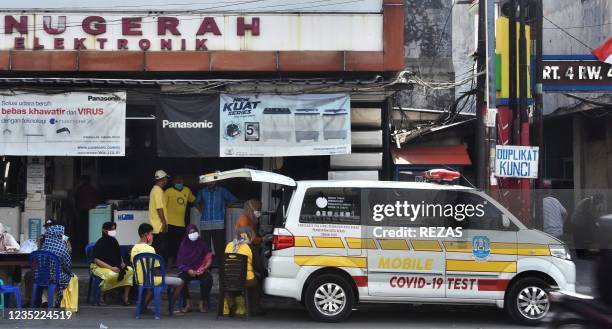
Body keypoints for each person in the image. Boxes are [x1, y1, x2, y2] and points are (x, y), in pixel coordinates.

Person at [131, 223, 184, 315]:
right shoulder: (150, 249)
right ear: (145, 235)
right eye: (151, 234)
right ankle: (170, 309)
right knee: (180, 282)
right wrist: (164, 276)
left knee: (154, 286)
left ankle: (143, 307)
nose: (152, 236)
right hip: (152, 279)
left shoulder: (134, 248)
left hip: (139, 279)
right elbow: (154, 270)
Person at [224, 226, 265, 316]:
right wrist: (264, 273)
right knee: (257, 281)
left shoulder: (229, 245)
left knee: (233, 281)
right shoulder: (250, 247)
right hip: (245, 281)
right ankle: (254, 308)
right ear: (249, 235)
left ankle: (232, 305)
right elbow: (258, 266)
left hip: (228, 280)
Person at [90, 222, 134, 306]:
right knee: (110, 274)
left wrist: (122, 263)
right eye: (111, 229)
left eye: (114, 229)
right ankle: (101, 298)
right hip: (99, 266)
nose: (113, 231)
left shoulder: (114, 241)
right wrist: (111, 268)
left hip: (114, 265)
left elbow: (118, 255)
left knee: (130, 271)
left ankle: (125, 297)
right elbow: (97, 260)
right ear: (104, 230)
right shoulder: (100, 243)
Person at [196, 180, 237, 266]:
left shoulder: (222, 191)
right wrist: (201, 210)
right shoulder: (202, 191)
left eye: (212, 181)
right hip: (205, 222)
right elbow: (197, 202)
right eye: (208, 181)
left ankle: (220, 267)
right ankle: (207, 266)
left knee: (219, 246)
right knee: (205, 246)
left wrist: (226, 206)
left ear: (216, 181)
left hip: (219, 222)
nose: (210, 183)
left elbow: (233, 199)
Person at [176, 224, 213, 313]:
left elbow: (209, 257)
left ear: (198, 232)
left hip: (200, 270)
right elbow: (180, 262)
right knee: (181, 280)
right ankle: (188, 304)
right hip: (188, 270)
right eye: (190, 232)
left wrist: (204, 268)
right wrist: (188, 270)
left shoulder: (202, 243)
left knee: (208, 279)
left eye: (194, 232)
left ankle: (201, 304)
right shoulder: (183, 244)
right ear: (187, 234)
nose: (193, 234)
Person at [39, 224, 77, 307]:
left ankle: (45, 300)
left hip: (41, 276)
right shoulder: (61, 249)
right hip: (56, 277)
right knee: (72, 277)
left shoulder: (43, 247)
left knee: (48, 278)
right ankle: (60, 302)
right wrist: (70, 273)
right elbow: (67, 266)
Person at [164, 176, 196, 268]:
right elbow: (163, 207)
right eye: (177, 181)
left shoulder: (187, 190)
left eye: (180, 180)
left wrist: (201, 208)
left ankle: (180, 264)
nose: (179, 182)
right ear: (173, 182)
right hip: (169, 223)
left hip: (181, 223)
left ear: (183, 181)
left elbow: (193, 200)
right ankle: (169, 264)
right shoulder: (168, 191)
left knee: (181, 245)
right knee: (169, 244)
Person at [149, 169, 170, 262]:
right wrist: (164, 222)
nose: (167, 180)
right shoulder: (158, 191)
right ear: (163, 179)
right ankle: (157, 269)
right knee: (159, 249)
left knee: (157, 248)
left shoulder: (155, 189)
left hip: (155, 225)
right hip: (158, 226)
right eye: (166, 178)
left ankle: (156, 268)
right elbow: (159, 208)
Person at [74, 175, 98, 256]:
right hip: (92, 213)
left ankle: (82, 251)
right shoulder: (93, 189)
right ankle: (88, 250)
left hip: (83, 212)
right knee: (90, 231)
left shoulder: (80, 189)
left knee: (82, 232)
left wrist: (76, 211)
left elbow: (76, 200)